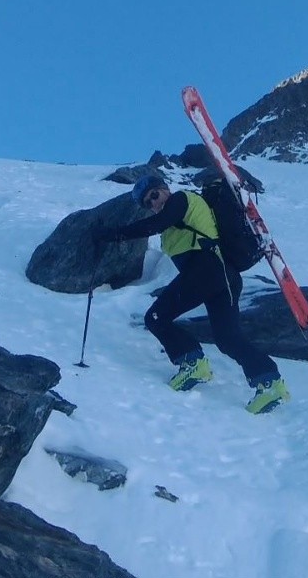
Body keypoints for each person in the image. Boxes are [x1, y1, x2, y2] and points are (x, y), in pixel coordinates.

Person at [96, 174, 289, 414]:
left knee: (156, 317)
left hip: (208, 269)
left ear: (164, 189)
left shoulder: (182, 199)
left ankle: (193, 362)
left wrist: (113, 234)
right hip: (222, 276)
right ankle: (269, 382)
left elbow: (155, 224)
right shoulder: (172, 221)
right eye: (147, 203)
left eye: (154, 195)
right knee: (227, 338)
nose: (153, 204)